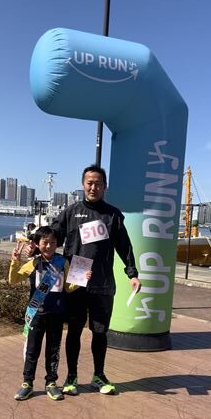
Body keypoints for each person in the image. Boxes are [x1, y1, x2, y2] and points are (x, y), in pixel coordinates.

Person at [51, 164, 141, 396]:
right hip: (76, 279)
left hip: (103, 282)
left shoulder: (113, 215)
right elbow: (53, 237)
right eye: (89, 183)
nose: (93, 187)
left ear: (105, 187)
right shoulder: (71, 212)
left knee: (100, 332)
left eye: (98, 184)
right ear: (83, 185)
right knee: (74, 330)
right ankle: (71, 376)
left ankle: (99, 375)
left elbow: (125, 247)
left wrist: (132, 274)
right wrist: (34, 246)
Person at [9, 226, 83, 401]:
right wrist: (15, 262)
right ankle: (27, 383)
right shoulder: (34, 263)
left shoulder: (62, 262)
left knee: (53, 350)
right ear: (37, 243)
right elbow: (13, 280)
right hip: (37, 313)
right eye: (45, 242)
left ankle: (51, 382)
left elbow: (68, 288)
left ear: (58, 244)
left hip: (57, 313)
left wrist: (81, 279)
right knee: (32, 350)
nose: (49, 246)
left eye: (53, 242)